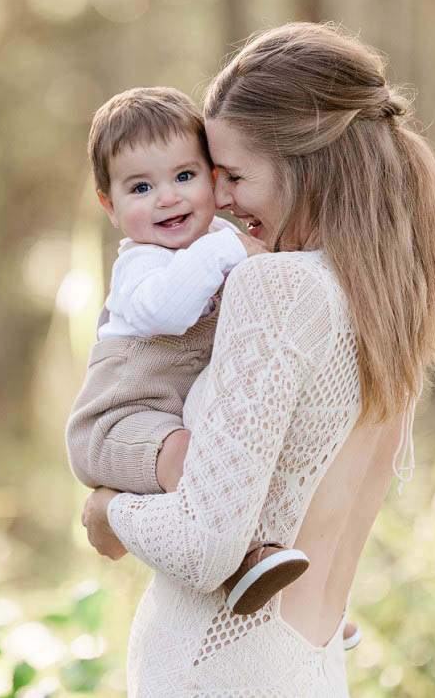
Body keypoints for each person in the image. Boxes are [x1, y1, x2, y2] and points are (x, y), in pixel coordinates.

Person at [80, 22, 435, 695]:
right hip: (313, 668)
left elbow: (206, 548)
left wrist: (108, 511)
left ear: (304, 161)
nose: (221, 202)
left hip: (220, 671)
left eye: (233, 175)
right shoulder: (391, 301)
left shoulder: (278, 288)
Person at [65, 86, 315, 619]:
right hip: (117, 424)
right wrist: (227, 248)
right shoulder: (142, 266)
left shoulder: (218, 245)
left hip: (168, 421)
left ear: (213, 178)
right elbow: (168, 312)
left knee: (254, 462)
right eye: (140, 187)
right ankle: (246, 561)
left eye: (184, 176)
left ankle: (304, 594)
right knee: (200, 462)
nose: (168, 198)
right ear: (109, 207)